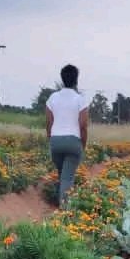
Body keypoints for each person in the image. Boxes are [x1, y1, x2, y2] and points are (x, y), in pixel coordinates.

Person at [45, 64, 88, 206]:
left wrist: (51, 141)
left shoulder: (52, 98)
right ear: (76, 80)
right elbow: (83, 126)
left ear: (62, 79)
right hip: (72, 141)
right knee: (67, 178)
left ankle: (60, 202)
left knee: (63, 174)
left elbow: (49, 123)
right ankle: (65, 212)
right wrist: (82, 145)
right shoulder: (80, 99)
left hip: (55, 141)